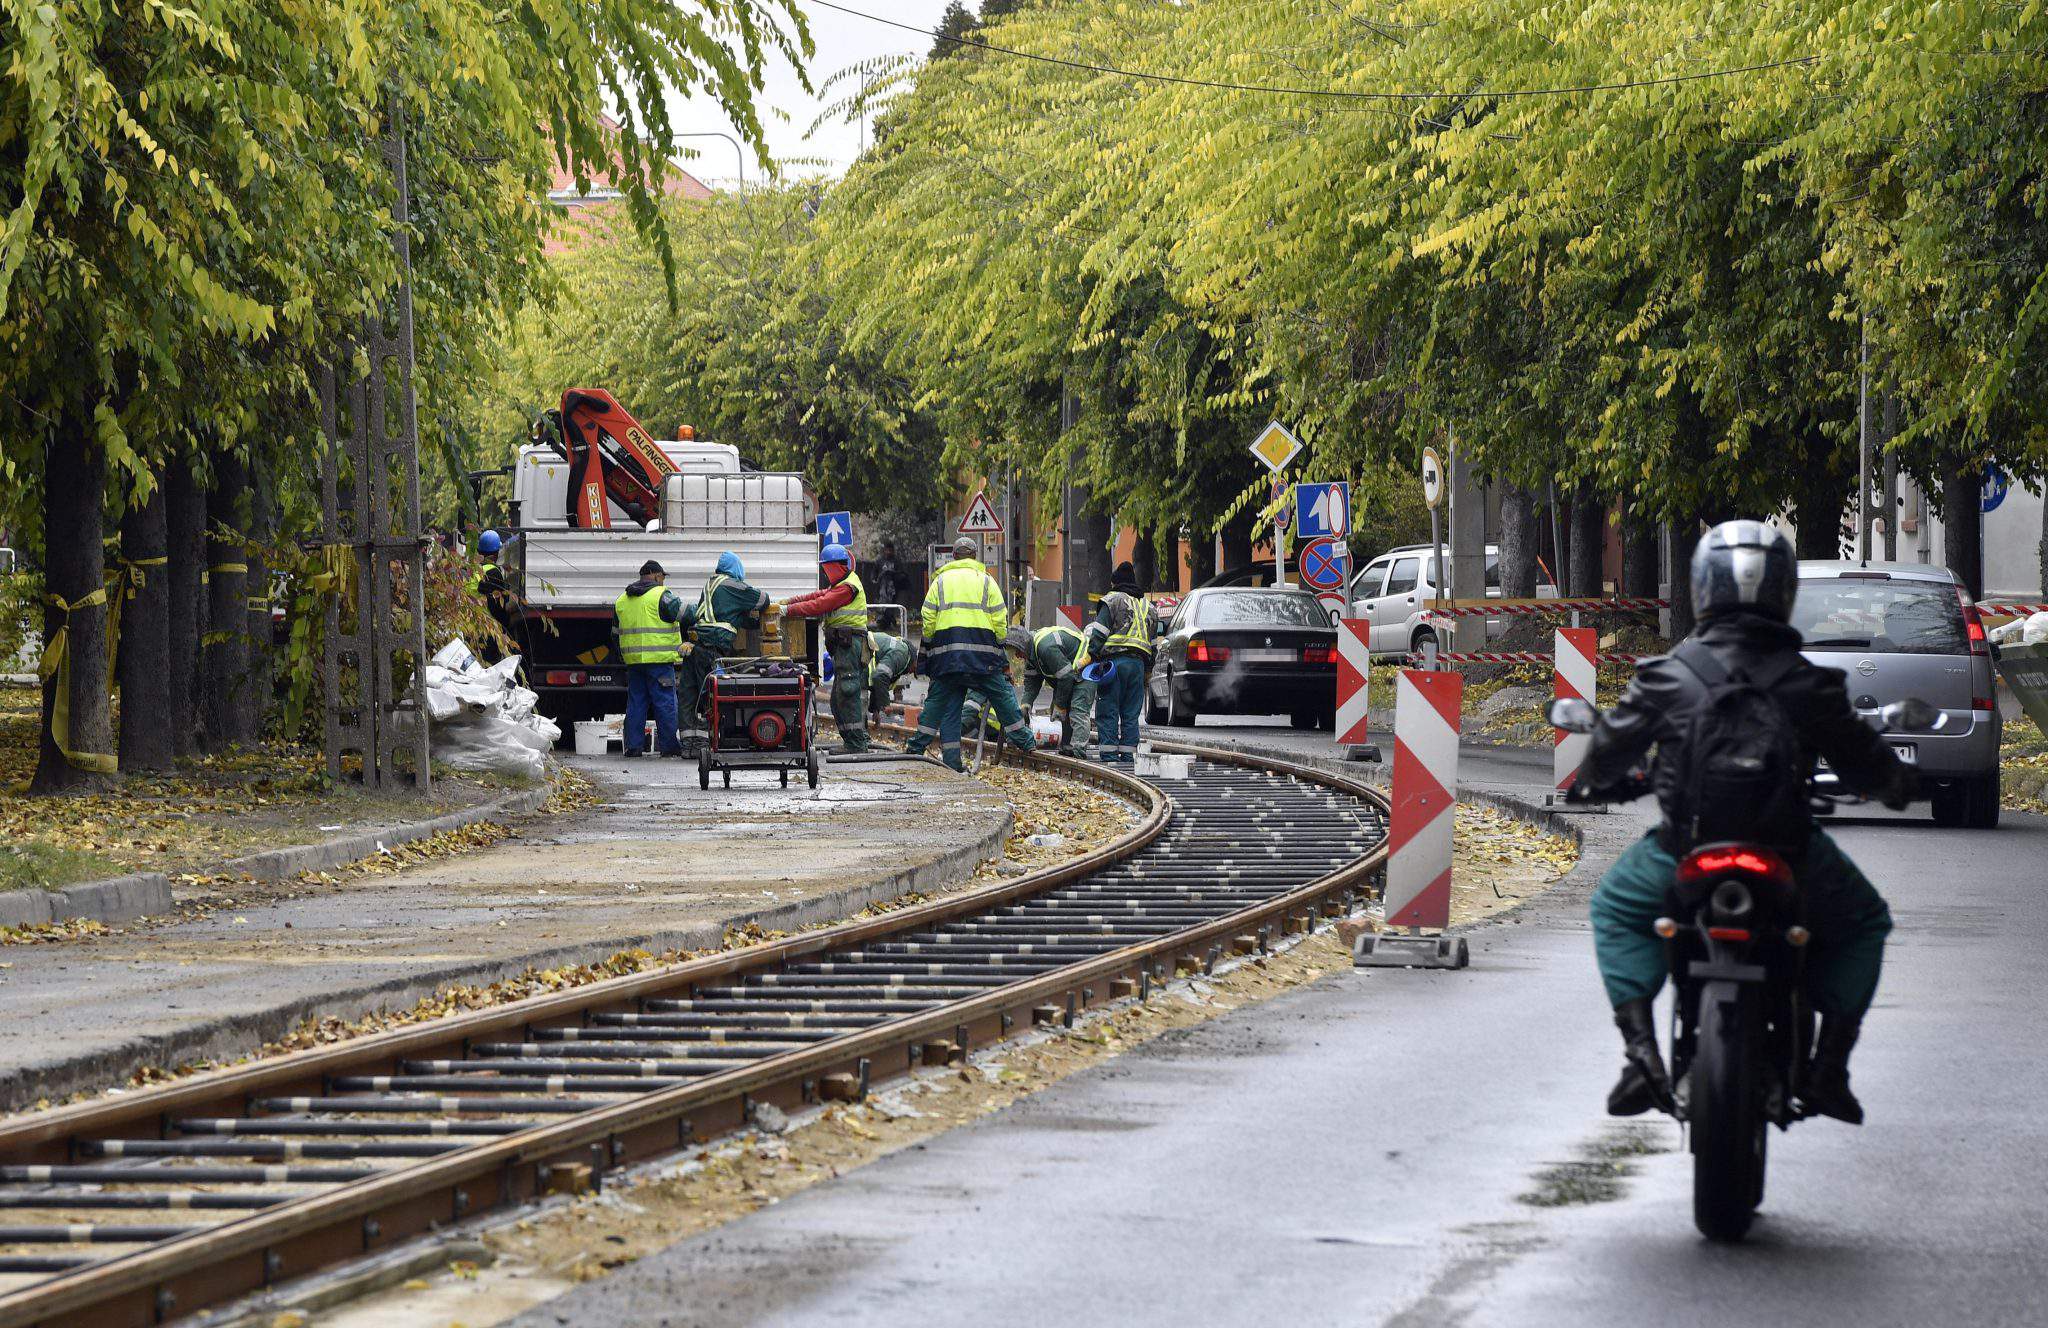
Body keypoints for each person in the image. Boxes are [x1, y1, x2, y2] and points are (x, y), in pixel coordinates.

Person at [1578, 520, 1914, 1124]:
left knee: (1615, 909)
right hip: (1790, 854)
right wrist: (1892, 786)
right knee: (1864, 921)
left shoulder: (1666, 675)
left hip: (1682, 851)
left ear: (1702, 589)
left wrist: (1595, 782)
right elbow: (1865, 763)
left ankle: (1640, 1056)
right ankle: (1830, 1068)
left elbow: (1605, 755)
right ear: (1784, 590)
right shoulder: (1810, 682)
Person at [906, 535, 1035, 771]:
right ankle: (1026, 743)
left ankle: (923, 752)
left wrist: (934, 641)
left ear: (954, 556)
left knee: (942, 706)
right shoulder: (987, 581)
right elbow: (1000, 618)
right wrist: (997, 643)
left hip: (948, 658)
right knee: (1002, 698)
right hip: (983, 657)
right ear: (975, 556)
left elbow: (928, 618)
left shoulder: (940, 581)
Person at [776, 543, 874, 752]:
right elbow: (815, 596)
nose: (825, 572)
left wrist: (787, 610)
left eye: (826, 567)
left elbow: (820, 605)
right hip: (844, 645)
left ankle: (856, 744)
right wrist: (789, 601)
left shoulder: (848, 587)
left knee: (847, 693)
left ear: (837, 566)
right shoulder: (839, 585)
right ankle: (853, 741)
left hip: (850, 644)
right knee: (838, 698)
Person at [677, 550, 771, 756]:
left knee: (689, 696)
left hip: (696, 646)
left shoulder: (711, 584)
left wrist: (745, 617)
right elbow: (763, 599)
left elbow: (728, 615)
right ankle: (705, 744)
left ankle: (688, 745)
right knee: (711, 697)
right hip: (712, 648)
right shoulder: (731, 585)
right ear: (736, 568)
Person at [611, 559, 684, 759]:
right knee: (665, 703)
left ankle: (633, 747)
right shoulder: (661, 595)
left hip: (634, 662)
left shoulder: (622, 600)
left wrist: (623, 655)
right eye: (662, 577)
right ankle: (669, 746)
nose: (663, 580)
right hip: (659, 661)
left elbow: (615, 634)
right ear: (655, 575)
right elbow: (684, 614)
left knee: (636, 703)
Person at [1083, 562, 1156, 764]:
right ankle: (1128, 756)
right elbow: (1153, 644)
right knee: (1131, 713)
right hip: (1138, 666)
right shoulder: (1149, 607)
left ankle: (1109, 756)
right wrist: (1148, 671)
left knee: (1108, 709)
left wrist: (1090, 656)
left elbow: (1099, 633)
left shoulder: (1112, 600)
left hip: (1113, 665)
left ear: (1115, 583)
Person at [1007, 622, 1096, 757]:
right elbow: (1032, 682)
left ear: (1023, 645)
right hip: (1069, 675)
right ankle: (1067, 748)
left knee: (1077, 710)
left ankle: (1078, 752)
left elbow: (1066, 676)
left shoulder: (1045, 648)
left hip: (1084, 670)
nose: (1017, 656)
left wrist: (1060, 705)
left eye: (1017, 651)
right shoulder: (1031, 654)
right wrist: (1026, 704)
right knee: (1062, 711)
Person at [866, 629, 914, 724]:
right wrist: (885, 704)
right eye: (914, 671)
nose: (911, 673)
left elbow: (878, 685)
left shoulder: (902, 656)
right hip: (859, 653)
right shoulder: (901, 655)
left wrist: (875, 710)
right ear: (915, 662)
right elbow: (879, 676)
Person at [874, 541, 904, 609]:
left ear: (893, 551)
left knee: (892, 603)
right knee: (882, 600)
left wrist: (893, 573)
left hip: (893, 585)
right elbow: (875, 572)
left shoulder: (896, 561)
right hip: (882, 585)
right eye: (887, 550)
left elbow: (901, 573)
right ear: (884, 550)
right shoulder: (880, 561)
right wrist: (875, 579)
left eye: (890, 550)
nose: (888, 552)